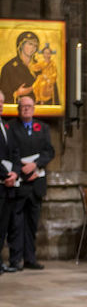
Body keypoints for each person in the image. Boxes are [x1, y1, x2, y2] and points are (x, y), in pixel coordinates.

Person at [5, 94, 54, 270]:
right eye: (23, 106)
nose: (26, 109)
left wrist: (36, 165)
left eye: (29, 106)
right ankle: (15, 260)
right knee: (16, 224)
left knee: (32, 224)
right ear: (19, 109)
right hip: (19, 182)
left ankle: (30, 258)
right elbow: (10, 152)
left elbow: (49, 152)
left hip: (36, 182)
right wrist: (22, 171)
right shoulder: (10, 127)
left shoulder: (43, 127)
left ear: (34, 109)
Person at [0, 90, 21, 274]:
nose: (0, 105)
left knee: (3, 227)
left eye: (1, 102)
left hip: (8, 185)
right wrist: (5, 175)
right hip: (1, 181)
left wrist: (15, 172)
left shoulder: (6, 126)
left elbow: (15, 151)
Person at [0, 31, 39, 104]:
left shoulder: (40, 66)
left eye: (35, 45)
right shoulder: (9, 68)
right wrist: (17, 94)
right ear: (21, 45)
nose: (33, 48)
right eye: (30, 44)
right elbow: (3, 94)